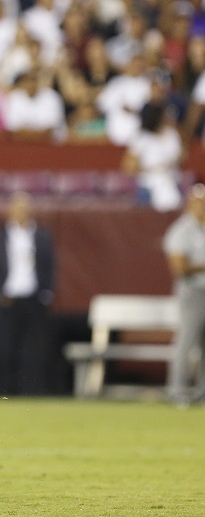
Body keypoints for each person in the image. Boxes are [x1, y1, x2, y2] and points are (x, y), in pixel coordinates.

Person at [0, 192, 55, 395]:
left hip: (34, 299)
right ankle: (6, 391)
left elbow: (50, 267)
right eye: (17, 208)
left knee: (34, 349)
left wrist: (47, 293)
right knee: (6, 347)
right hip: (8, 299)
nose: (21, 213)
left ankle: (32, 391)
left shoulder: (42, 236)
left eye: (25, 209)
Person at [162, 184, 205, 406]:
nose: (202, 206)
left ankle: (203, 393)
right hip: (193, 292)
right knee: (186, 342)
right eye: (198, 202)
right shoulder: (181, 230)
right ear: (190, 204)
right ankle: (177, 391)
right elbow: (180, 267)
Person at [121, 101, 183, 211]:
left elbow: (181, 159)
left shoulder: (172, 135)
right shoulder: (141, 138)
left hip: (171, 182)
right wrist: (153, 167)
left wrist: (168, 165)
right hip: (148, 186)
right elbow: (128, 167)